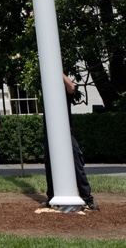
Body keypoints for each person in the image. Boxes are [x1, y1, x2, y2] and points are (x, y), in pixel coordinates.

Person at [40, 72, 95, 211]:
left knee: (76, 163)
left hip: (66, 132)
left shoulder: (64, 93)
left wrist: (58, 71)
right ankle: (51, 197)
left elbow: (71, 86)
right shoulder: (46, 94)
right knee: (50, 165)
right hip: (50, 133)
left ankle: (87, 198)